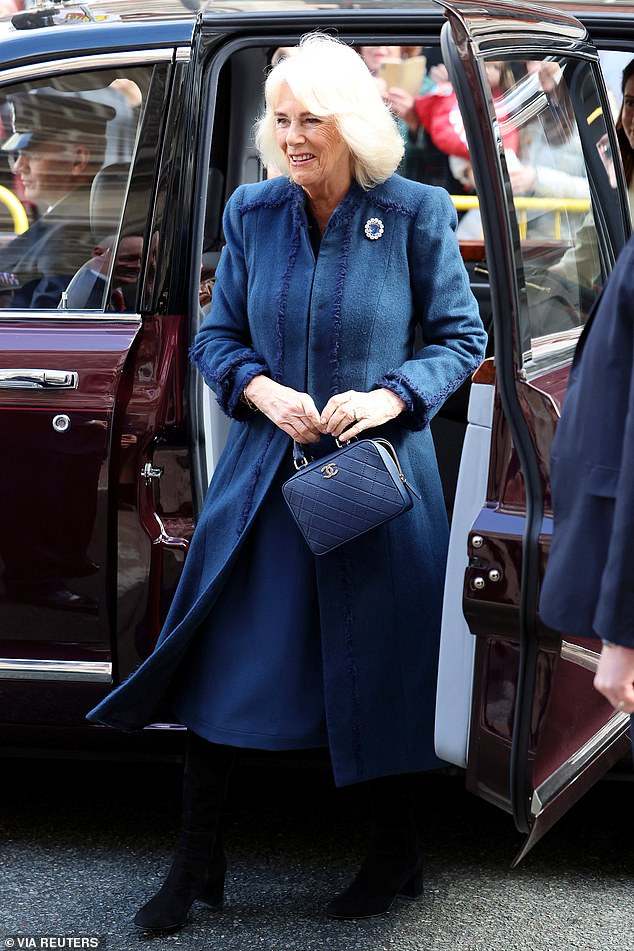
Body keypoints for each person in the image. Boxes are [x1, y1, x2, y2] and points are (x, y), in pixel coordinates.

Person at [86, 33, 487, 931]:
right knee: (228, 660)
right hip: (266, 477)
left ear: (351, 124)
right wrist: (261, 388)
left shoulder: (416, 211)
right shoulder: (252, 213)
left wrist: (388, 398)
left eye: (314, 119)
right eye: (281, 119)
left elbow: (461, 341)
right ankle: (197, 862)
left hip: (374, 480)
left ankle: (396, 852)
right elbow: (219, 338)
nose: (295, 136)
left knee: (376, 665)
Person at [0, 88, 114, 308]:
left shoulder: (71, 235)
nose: (17, 167)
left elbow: (40, 330)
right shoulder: (60, 225)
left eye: (31, 155)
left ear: (78, 160)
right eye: (17, 155)